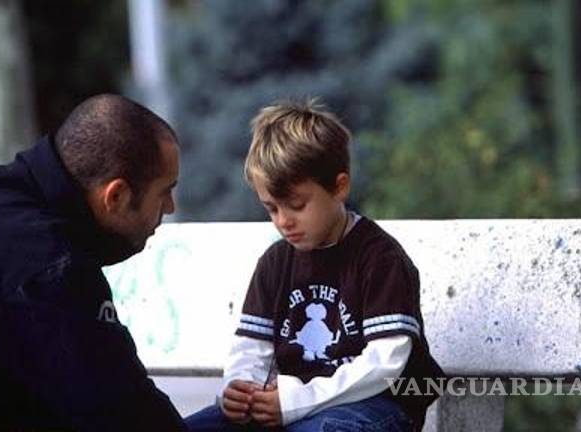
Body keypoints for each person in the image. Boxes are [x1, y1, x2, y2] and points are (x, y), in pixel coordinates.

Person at [0, 94, 187, 431]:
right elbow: (128, 411)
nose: (170, 207)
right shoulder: (45, 263)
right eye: (165, 191)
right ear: (115, 196)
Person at [185, 100, 444, 432]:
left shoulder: (379, 258)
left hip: (376, 406)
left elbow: (385, 363)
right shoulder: (275, 263)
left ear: (339, 187)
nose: (283, 221)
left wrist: (298, 401)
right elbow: (252, 349)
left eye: (296, 205)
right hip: (292, 407)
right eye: (271, 208)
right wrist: (241, 389)